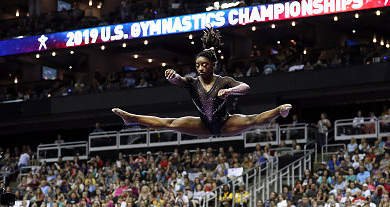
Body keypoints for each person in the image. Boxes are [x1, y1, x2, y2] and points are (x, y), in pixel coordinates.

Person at [113, 27, 292, 137]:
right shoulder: (192, 82)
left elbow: (245, 87)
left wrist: (230, 91)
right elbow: (179, 81)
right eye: (197, 65)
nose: (200, 68)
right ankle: (130, 118)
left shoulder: (223, 81)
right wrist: (173, 76)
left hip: (226, 123)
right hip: (202, 124)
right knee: (169, 123)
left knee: (253, 120)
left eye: (204, 65)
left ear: (213, 65)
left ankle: (279, 111)